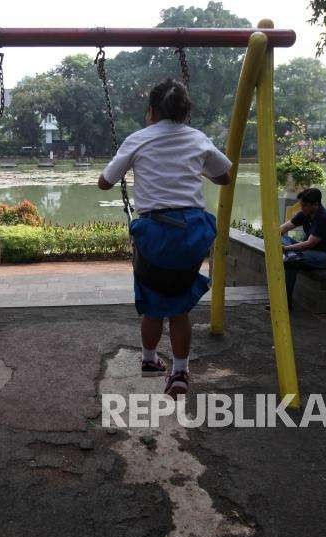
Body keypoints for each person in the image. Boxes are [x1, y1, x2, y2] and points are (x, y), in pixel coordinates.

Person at [98, 78, 232, 397]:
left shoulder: (138, 139)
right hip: (191, 233)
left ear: (152, 111)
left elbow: (104, 182)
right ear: (185, 112)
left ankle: (148, 359)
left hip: (155, 233)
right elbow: (225, 177)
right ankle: (181, 372)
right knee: (179, 306)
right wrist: (191, 167)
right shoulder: (198, 139)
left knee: (153, 300)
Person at [278, 187, 326, 311]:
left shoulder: (324, 218)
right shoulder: (304, 214)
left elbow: (309, 244)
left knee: (291, 263)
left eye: (305, 205)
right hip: (306, 252)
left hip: (324, 257)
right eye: (301, 204)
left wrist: (285, 249)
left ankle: (286, 304)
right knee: (281, 238)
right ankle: (292, 255)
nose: (301, 208)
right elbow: (282, 229)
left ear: (315, 204)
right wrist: (274, 235)